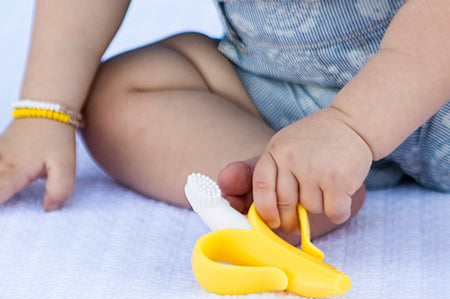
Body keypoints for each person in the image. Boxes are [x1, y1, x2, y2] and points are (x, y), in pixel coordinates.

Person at [0, 0, 448, 243]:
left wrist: (354, 125)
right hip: (278, 83)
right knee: (119, 93)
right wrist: (46, 107)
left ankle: (316, 168)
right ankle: (285, 186)